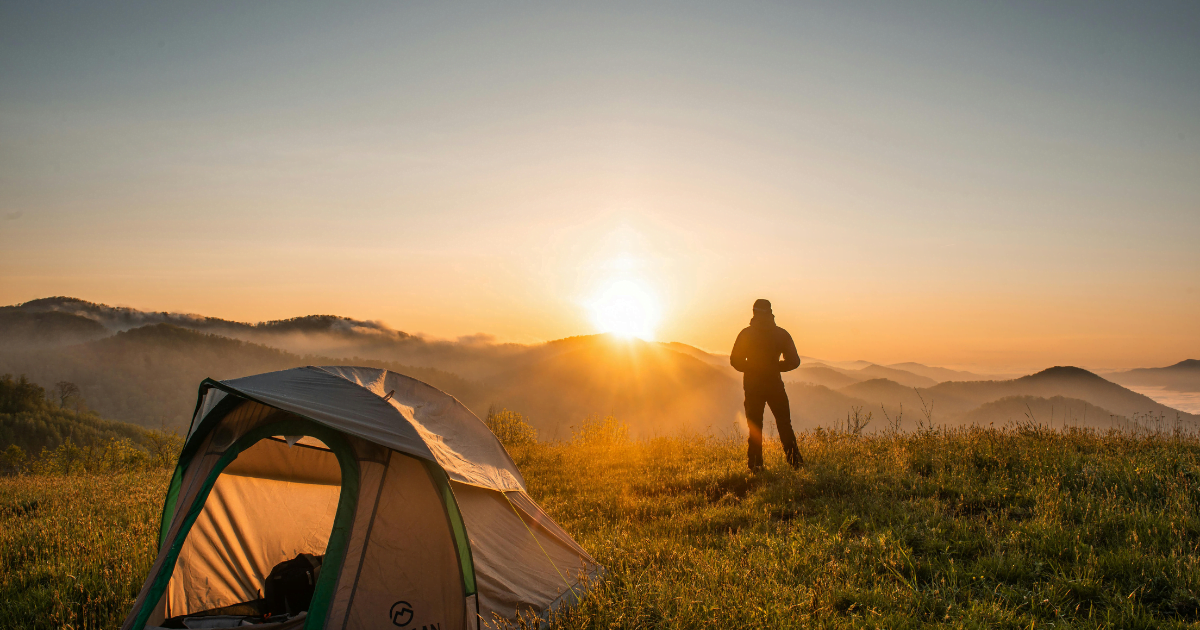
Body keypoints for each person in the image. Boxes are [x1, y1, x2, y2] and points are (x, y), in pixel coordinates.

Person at [730, 299, 803, 471]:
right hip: (775, 385)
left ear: (754, 312)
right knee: (784, 424)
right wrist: (775, 367)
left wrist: (753, 368)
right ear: (770, 312)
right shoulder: (781, 334)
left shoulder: (746, 334)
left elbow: (735, 361)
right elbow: (794, 361)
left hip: (753, 385)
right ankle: (796, 464)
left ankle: (756, 465)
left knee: (755, 426)